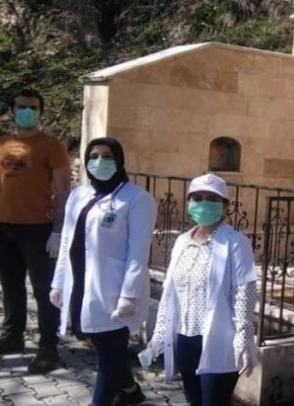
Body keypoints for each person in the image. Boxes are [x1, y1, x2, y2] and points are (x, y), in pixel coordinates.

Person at [49, 137, 156, 406]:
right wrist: (59, 282)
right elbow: (67, 241)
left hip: (113, 287)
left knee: (109, 351)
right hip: (80, 282)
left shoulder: (137, 199)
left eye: (107, 156)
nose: (100, 162)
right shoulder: (79, 194)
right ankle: (131, 391)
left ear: (119, 160)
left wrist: (129, 294)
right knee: (103, 344)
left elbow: (138, 251)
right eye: (94, 156)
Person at [147, 173, 260, 406]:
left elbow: (244, 293)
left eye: (212, 199)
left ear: (225, 206)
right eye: (197, 198)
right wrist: (159, 334)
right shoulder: (182, 242)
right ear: (189, 203)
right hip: (185, 339)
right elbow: (170, 292)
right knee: (194, 400)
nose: (203, 204)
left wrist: (243, 338)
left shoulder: (235, 242)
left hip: (219, 340)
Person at [0, 89, 71, 373]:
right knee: (10, 284)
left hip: (38, 229)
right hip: (4, 227)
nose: (27, 112)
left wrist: (58, 230)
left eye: (33, 108)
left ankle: (48, 346)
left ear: (41, 112)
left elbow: (63, 190)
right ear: (11, 111)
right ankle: (12, 335)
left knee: (43, 289)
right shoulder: (3, 142)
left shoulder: (51, 145)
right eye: (22, 107)